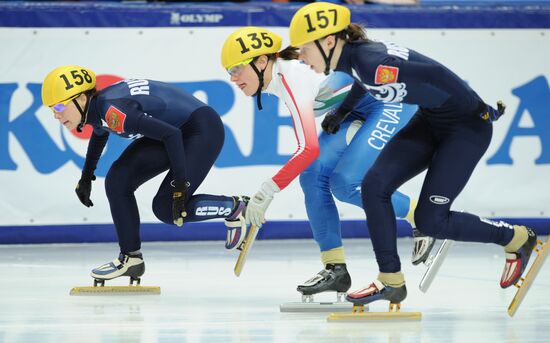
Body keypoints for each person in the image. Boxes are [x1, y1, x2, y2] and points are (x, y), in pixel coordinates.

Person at [289, 2, 537, 307]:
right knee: (373, 187)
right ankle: (391, 280)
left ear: (328, 42)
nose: (301, 57)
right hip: (430, 121)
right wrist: (343, 110)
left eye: (303, 50)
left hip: (466, 130)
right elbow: (365, 82)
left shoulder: (371, 61)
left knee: (431, 221)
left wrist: (477, 107)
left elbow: (434, 74)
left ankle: (516, 238)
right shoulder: (353, 59)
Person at [220, 27, 434, 301]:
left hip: (392, 104)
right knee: (312, 177)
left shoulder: (292, 78)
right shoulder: (280, 78)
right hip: (355, 109)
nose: (233, 77)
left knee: (346, 183)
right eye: (229, 71)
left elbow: (307, 148)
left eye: (237, 68)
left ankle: (423, 216)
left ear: (262, 61)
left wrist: (268, 190)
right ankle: (335, 269)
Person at [41, 65, 249, 285]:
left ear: (81, 99)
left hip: (201, 129)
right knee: (118, 180)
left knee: (167, 209)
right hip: (173, 130)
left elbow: (172, 134)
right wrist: (86, 178)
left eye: (59, 106)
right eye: (51, 109)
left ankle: (236, 207)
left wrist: (179, 185)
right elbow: (100, 134)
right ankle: (131, 258)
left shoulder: (113, 110)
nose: (56, 114)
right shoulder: (98, 109)